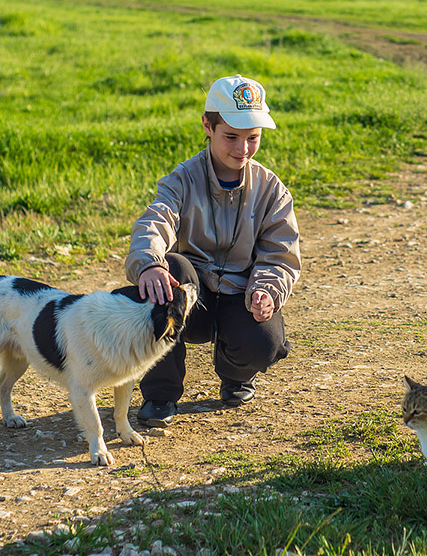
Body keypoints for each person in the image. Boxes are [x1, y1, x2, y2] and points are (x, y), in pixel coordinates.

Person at [124, 74, 301, 426]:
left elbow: (280, 254)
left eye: (253, 138)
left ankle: (237, 374)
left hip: (240, 296)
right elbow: (155, 221)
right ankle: (160, 395)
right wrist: (148, 264)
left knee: (264, 342)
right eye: (231, 137)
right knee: (169, 270)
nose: (243, 149)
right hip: (192, 297)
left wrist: (267, 289)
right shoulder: (183, 179)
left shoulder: (271, 190)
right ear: (207, 125)